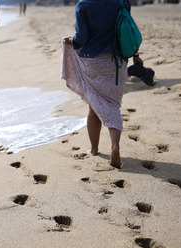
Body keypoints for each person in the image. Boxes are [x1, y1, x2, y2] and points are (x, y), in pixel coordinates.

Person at [61, 0, 143, 168]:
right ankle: (115, 146)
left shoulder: (83, 5)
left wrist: (71, 41)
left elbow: (82, 37)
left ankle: (94, 149)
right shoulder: (121, 2)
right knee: (112, 104)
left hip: (93, 62)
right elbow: (127, 29)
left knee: (94, 104)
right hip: (117, 61)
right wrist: (135, 54)